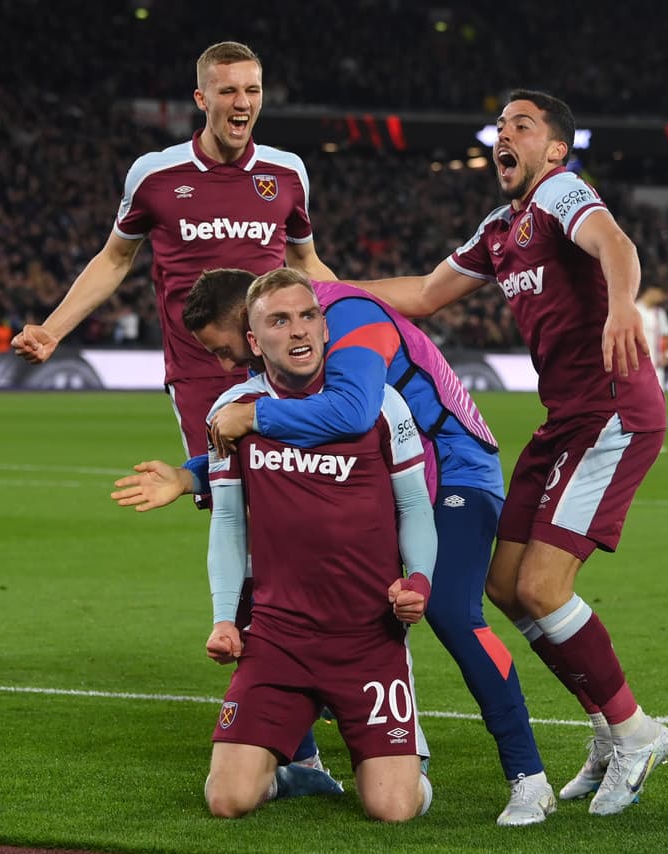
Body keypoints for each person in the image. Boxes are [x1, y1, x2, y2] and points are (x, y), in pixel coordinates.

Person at [114, 266, 556, 825]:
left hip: (454, 466)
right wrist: (192, 475)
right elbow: (271, 441)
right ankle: (297, 755)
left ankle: (526, 776)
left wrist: (417, 574)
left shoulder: (353, 339)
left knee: (442, 604)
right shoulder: (251, 394)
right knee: (277, 578)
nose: (224, 363)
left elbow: (346, 415)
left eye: (221, 348)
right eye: (280, 321)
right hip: (369, 491)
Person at [351, 90, 668, 816]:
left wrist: (624, 304)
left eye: (521, 126)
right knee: (504, 584)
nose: (504, 135)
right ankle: (605, 728)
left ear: (556, 149)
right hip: (565, 420)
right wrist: (325, 289)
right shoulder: (500, 228)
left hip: (612, 413)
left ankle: (636, 731)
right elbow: (427, 295)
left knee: (543, 588)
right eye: (499, 127)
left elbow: (616, 245)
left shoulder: (562, 191)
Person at [11, 40, 335, 473]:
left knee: (293, 502)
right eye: (228, 92)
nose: (242, 103)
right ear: (201, 99)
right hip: (199, 371)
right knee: (226, 501)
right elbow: (115, 259)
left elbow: (307, 264)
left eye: (252, 91)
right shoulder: (155, 175)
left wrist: (367, 322)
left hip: (279, 369)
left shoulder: (288, 173)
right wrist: (53, 330)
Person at [202, 272, 435, 822]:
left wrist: (420, 578)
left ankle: (404, 766)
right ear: (255, 343)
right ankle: (286, 773)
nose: (299, 330)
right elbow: (230, 522)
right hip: (279, 636)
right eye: (279, 321)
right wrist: (222, 617)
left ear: (325, 327)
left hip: (367, 637)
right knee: (226, 800)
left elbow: (414, 507)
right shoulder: (231, 413)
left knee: (394, 809)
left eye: (308, 316)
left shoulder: (380, 404)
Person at [636, 285, 668, 391]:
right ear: (651, 291)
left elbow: (666, 335)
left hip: (656, 364)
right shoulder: (635, 309)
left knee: (658, 398)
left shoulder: (659, 313)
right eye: (660, 293)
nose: (662, 298)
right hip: (637, 364)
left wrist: (667, 354)